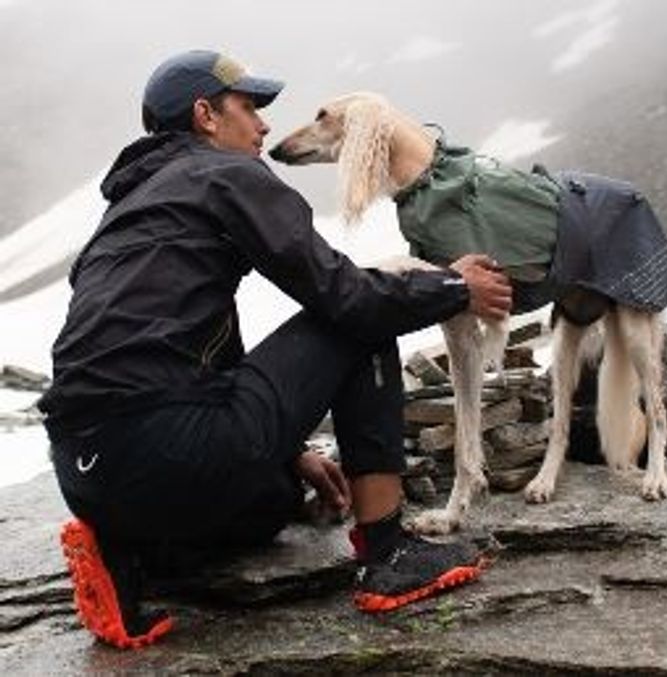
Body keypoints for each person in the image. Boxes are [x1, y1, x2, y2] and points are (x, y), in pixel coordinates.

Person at [39, 49, 513, 649]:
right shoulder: (227, 174)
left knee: (275, 502)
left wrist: (289, 451)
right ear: (206, 115)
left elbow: (188, 347)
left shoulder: (123, 213)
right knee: (361, 317)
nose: (263, 125)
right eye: (248, 107)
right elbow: (347, 298)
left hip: (84, 472)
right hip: (171, 446)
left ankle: (130, 557)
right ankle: (388, 552)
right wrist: (452, 287)